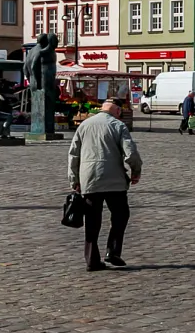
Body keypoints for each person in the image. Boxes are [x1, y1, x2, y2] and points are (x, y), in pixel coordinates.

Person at [68, 99, 142, 271]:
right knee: (120, 215)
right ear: (117, 111)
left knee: (92, 219)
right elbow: (130, 153)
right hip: (114, 180)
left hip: (89, 179)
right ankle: (113, 251)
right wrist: (136, 171)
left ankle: (92, 260)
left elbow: (73, 155)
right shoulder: (118, 125)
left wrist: (74, 179)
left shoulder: (84, 125)